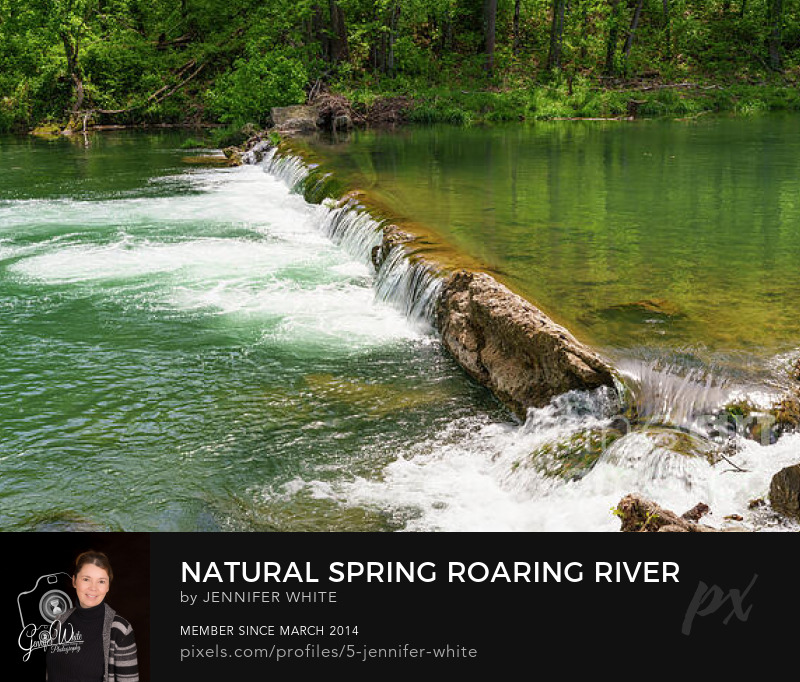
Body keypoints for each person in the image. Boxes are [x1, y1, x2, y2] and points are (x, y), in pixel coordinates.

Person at [46, 550, 139, 682]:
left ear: (108, 586)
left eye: (101, 581)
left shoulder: (120, 630)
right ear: (74, 581)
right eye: (86, 579)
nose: (93, 588)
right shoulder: (60, 620)